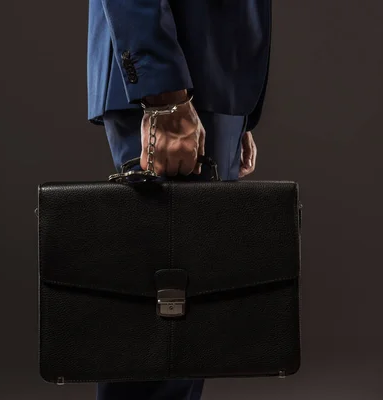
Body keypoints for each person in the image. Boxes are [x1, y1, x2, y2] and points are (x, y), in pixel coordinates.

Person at [87, 1, 272, 399]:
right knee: (160, 334)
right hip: (175, 76)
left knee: (184, 333)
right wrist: (164, 95)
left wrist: (236, 109)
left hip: (209, 81)